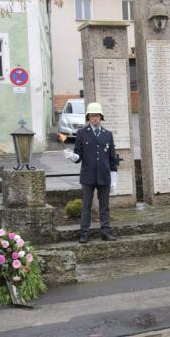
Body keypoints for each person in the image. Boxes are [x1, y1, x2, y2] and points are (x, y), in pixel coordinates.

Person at [65, 102, 119, 244]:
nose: (95, 118)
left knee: (105, 206)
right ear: (88, 117)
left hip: (104, 175)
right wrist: (73, 157)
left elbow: (112, 158)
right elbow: (78, 155)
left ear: (101, 117)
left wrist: (114, 178)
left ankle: (105, 231)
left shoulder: (108, 135)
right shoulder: (82, 133)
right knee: (86, 206)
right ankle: (84, 233)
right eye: (92, 116)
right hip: (88, 175)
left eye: (97, 116)